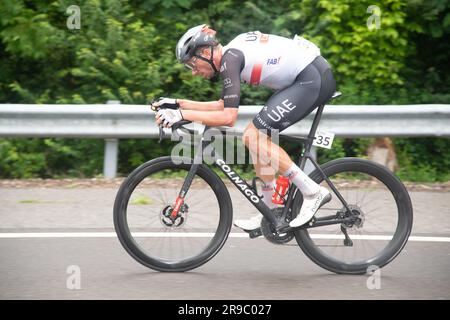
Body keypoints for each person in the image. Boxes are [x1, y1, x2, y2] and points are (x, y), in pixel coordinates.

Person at [154, 24, 336, 231]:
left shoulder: (230, 58)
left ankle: (312, 191)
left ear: (206, 52)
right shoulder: (231, 57)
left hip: (311, 79)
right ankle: (269, 213)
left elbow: (228, 117)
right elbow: (222, 105)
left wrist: (180, 115)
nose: (194, 72)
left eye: (193, 64)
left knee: (253, 136)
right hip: (304, 78)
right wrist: (178, 104)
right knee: (257, 139)